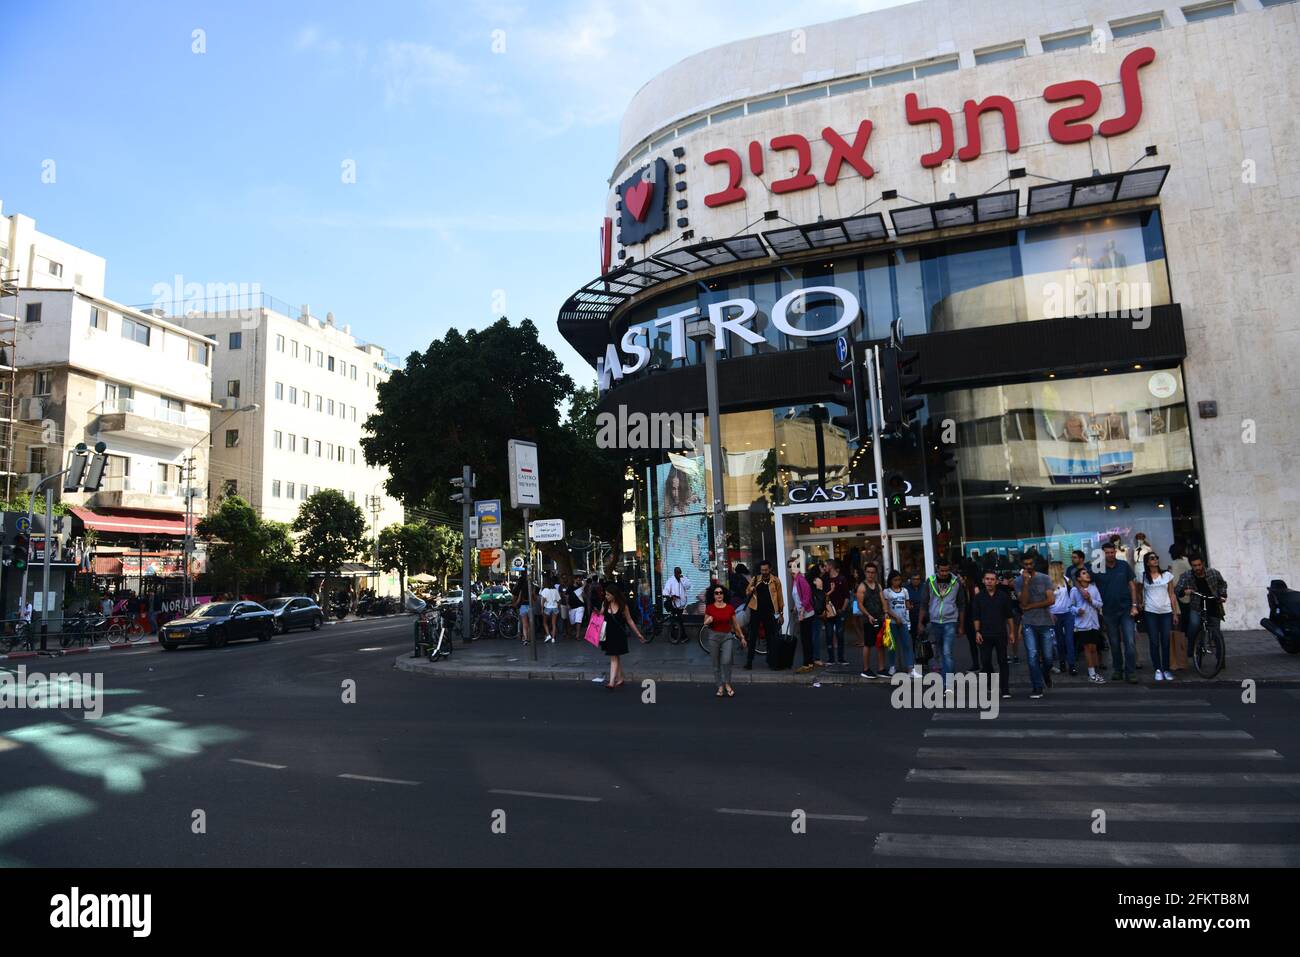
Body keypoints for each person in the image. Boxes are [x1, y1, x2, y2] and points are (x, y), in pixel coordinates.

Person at [1094, 540, 1139, 683]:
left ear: (1115, 552)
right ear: (1102, 554)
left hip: (1126, 609)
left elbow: (1132, 586)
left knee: (1130, 642)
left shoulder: (1123, 565)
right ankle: (1118, 670)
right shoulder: (1097, 568)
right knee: (1114, 643)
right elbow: (1081, 579)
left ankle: (1130, 672)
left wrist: (1134, 605)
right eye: (1107, 553)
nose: (1110, 555)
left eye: (1112, 552)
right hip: (1108, 611)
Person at [1016, 553, 1057, 699]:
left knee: (1048, 657)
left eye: (1030, 564)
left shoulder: (1044, 578)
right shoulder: (1019, 581)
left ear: (1034, 564)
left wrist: (1032, 606)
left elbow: (1051, 600)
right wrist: (1026, 584)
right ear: (1022, 565)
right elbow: (1023, 603)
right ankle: (1037, 686)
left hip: (1045, 622)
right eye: (1025, 564)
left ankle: (1045, 672)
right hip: (1028, 623)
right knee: (1032, 656)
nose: (1028, 567)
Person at [923, 557, 966, 690]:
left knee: (947, 653)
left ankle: (947, 685)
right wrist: (920, 622)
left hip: (950, 621)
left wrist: (961, 625)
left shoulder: (956, 582)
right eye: (942, 571)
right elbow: (924, 602)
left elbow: (962, 604)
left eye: (947, 570)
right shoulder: (930, 581)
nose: (944, 573)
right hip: (935, 621)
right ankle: (946, 678)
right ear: (937, 569)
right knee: (941, 653)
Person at [1174, 554, 1228, 661]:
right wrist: (1184, 591)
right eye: (1194, 566)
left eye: (1199, 565)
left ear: (1202, 564)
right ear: (1191, 566)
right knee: (1194, 624)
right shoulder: (1187, 575)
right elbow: (1177, 589)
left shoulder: (1213, 572)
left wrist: (1223, 595)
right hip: (1197, 606)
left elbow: (1223, 584)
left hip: (1213, 604)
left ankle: (1221, 660)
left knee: (1216, 633)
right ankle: (1191, 646)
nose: (1197, 568)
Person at [971, 570, 1015, 698]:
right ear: (983, 581)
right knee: (985, 661)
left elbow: (1009, 616)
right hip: (984, 634)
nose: (989, 581)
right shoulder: (979, 597)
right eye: (987, 579)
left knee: (1003, 661)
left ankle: (1005, 689)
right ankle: (990, 682)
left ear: (996, 581)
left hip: (1000, 633)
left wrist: (1012, 632)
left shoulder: (1003, 596)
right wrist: (977, 632)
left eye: (992, 579)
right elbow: (976, 617)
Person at [703, 584, 747, 696]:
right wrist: (709, 620)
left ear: (724, 595)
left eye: (721, 593)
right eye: (716, 593)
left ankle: (727, 683)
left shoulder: (729, 608)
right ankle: (720, 686)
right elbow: (705, 623)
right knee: (716, 664)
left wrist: (741, 637)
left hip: (727, 636)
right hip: (713, 637)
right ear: (713, 595)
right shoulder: (710, 608)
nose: (719, 595)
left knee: (726, 661)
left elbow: (735, 624)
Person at [1140, 551, 1178, 682]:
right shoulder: (1143, 576)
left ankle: (1166, 669)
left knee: (1166, 641)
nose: (1155, 560)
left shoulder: (1167, 575)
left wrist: (1175, 613)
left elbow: (1172, 594)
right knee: (1154, 641)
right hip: (1150, 612)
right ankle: (1157, 669)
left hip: (1166, 612)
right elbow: (1141, 593)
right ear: (1147, 562)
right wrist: (1140, 604)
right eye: (1152, 558)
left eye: (1156, 557)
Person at [599, 584, 645, 690]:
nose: (606, 596)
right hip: (608, 634)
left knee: (614, 657)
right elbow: (600, 616)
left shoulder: (623, 606)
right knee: (615, 656)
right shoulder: (605, 604)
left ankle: (611, 682)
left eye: (608, 594)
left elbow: (630, 621)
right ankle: (620, 678)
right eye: (605, 594)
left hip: (619, 635)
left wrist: (638, 634)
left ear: (614, 595)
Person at [744, 559, 783, 670]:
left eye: (766, 570)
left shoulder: (775, 581)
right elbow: (747, 591)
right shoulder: (756, 579)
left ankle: (771, 661)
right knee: (752, 637)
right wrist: (751, 588)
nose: (764, 572)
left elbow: (780, 598)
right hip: (756, 611)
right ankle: (749, 661)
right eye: (762, 570)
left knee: (771, 637)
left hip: (769, 612)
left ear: (770, 569)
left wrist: (781, 613)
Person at [1070, 568, 1107, 683]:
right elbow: (1070, 607)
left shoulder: (1093, 588)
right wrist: (1077, 610)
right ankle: (1091, 673)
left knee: (1094, 648)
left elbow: (1100, 604)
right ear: (1079, 578)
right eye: (1084, 573)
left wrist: (1091, 600)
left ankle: (1095, 671)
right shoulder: (1074, 591)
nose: (1087, 575)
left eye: (1087, 573)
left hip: (1094, 623)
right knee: (1087, 648)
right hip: (1082, 624)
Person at [883, 569, 920, 678]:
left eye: (899, 580)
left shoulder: (904, 591)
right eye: (895, 580)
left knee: (907, 645)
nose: (897, 582)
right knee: (892, 646)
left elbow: (907, 605)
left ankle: (910, 668)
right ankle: (892, 666)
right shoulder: (887, 592)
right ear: (891, 581)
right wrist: (895, 617)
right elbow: (886, 607)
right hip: (892, 622)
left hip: (903, 622)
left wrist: (910, 607)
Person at [858, 563, 887, 678]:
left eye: (872, 572)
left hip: (879, 618)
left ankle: (881, 668)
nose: (870, 574)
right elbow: (860, 605)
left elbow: (883, 600)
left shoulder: (878, 586)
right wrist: (868, 615)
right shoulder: (862, 587)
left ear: (875, 573)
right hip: (868, 619)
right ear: (865, 573)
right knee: (868, 644)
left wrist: (885, 612)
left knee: (881, 644)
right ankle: (866, 669)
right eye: (868, 572)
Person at [1049, 560, 1077, 676]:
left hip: (1068, 613)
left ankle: (1072, 665)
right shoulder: (1049, 582)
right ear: (1056, 569)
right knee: (1059, 640)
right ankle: (1062, 662)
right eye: (1061, 567)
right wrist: (1049, 613)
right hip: (1055, 614)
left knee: (1069, 639)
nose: (1063, 569)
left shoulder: (1066, 579)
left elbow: (1073, 593)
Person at [789, 558, 817, 673]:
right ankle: (809, 662)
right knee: (805, 639)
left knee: (806, 639)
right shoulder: (795, 580)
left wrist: (801, 612)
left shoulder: (801, 579)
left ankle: (807, 664)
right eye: (790, 566)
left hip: (807, 613)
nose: (791, 568)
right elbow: (798, 596)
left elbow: (807, 596)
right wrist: (796, 607)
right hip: (802, 612)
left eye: (793, 566)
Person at [1168, 545, 1192, 670]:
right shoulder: (1187, 560)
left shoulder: (1175, 563)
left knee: (1180, 625)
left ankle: (1182, 652)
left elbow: (1175, 582)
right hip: (1191, 594)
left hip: (1180, 595)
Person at [823, 560, 850, 667]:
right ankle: (831, 659)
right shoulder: (825, 579)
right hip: (829, 612)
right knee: (829, 635)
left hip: (839, 611)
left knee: (840, 635)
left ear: (831, 566)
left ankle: (841, 658)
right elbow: (822, 595)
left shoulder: (841, 579)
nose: (824, 568)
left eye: (825, 566)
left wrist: (843, 609)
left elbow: (847, 596)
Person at [661, 566, 691, 645]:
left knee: (677, 620)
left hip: (681, 604)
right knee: (678, 620)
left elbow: (688, 586)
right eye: (677, 573)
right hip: (674, 604)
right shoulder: (670, 580)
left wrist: (682, 579)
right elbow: (666, 590)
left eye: (680, 573)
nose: (679, 574)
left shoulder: (683, 579)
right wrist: (668, 596)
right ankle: (682, 636)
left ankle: (676, 636)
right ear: (674, 573)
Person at [511, 573, 533, 645]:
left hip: (523, 607)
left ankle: (525, 639)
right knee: (530, 624)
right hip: (530, 607)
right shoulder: (531, 589)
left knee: (524, 624)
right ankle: (529, 639)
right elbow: (534, 599)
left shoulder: (520, 590)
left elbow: (518, 600)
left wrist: (513, 604)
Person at [539, 579, 561, 644]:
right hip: (555, 608)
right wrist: (558, 607)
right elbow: (559, 600)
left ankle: (548, 635)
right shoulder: (555, 590)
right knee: (554, 624)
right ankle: (553, 639)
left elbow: (542, 600)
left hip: (547, 608)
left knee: (544, 622)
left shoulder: (545, 590)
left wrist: (542, 609)